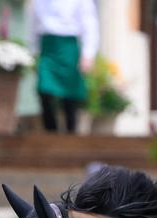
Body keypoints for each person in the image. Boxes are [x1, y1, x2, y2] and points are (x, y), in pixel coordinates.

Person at [31, 0, 99, 133]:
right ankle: (51, 132)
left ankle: (71, 131)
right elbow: (33, 26)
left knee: (69, 94)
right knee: (44, 89)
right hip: (47, 47)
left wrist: (88, 54)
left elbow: (90, 24)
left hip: (68, 47)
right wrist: (33, 52)